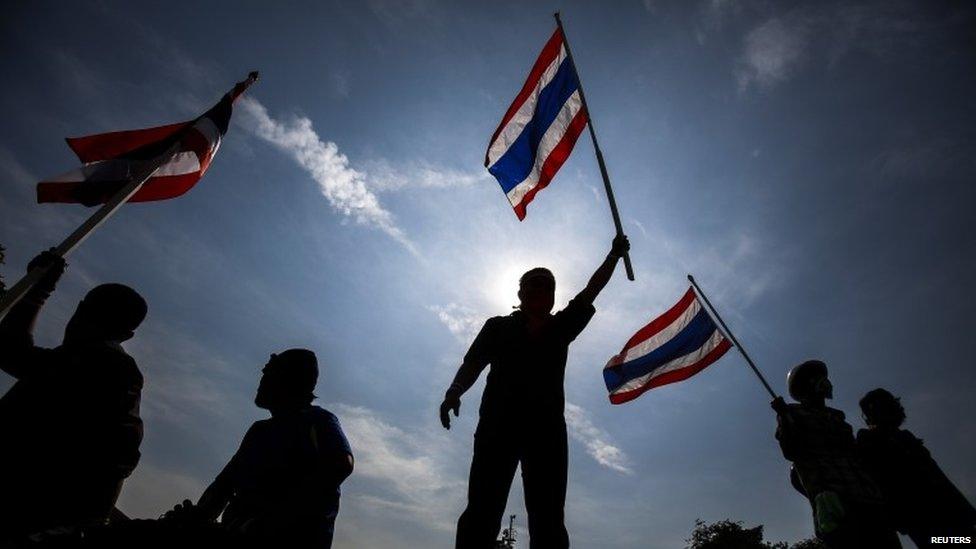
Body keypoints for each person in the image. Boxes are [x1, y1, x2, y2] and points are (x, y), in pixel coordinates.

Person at [440, 235, 630, 549]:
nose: (540, 289)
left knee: (548, 516)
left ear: (554, 297)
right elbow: (473, 363)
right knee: (483, 509)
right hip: (497, 427)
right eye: (533, 283)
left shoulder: (562, 327)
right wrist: (454, 391)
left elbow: (591, 290)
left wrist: (613, 256)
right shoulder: (498, 326)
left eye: (547, 285)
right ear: (520, 291)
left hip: (547, 432)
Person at [0, 250, 147, 540]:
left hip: (31, 515)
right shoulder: (94, 362)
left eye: (93, 316)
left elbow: (12, 352)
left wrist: (39, 290)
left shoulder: (106, 365)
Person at [173, 349, 353, 548]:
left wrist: (274, 518)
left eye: (269, 374)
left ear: (290, 381)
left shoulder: (318, 420)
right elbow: (224, 486)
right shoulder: (259, 432)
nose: (261, 380)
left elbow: (342, 464)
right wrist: (195, 518)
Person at [771, 360, 900, 548]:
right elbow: (790, 451)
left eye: (825, 378)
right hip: (835, 503)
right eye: (818, 379)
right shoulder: (792, 413)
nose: (826, 383)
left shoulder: (837, 416)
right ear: (806, 386)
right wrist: (785, 417)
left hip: (869, 498)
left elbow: (855, 454)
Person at [857, 388, 976, 547]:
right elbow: (879, 478)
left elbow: (937, 476)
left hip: (950, 513)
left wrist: (966, 512)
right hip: (922, 519)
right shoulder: (870, 439)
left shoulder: (905, 437)